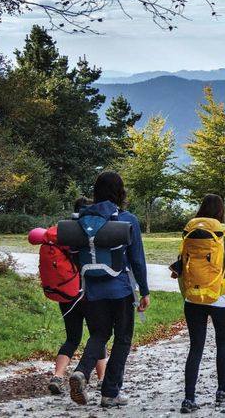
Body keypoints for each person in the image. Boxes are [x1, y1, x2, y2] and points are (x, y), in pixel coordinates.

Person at [67, 172, 150, 408]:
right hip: (120, 290)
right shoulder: (126, 219)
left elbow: (74, 255)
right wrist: (144, 290)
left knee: (99, 335)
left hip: (91, 290)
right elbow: (137, 259)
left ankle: (82, 372)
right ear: (119, 191)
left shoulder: (81, 220)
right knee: (122, 339)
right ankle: (110, 392)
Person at [169, 194, 225, 414]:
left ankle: (189, 398)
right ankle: (222, 390)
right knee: (222, 343)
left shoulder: (188, 233)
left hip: (193, 299)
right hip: (219, 298)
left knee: (195, 347)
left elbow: (182, 268)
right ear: (220, 211)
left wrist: (187, 294)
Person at [46, 198, 107, 396]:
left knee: (72, 337)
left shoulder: (62, 232)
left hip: (66, 293)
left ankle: (57, 376)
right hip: (89, 293)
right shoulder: (90, 232)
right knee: (97, 336)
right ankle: (102, 379)